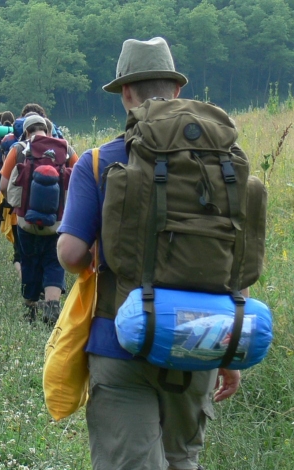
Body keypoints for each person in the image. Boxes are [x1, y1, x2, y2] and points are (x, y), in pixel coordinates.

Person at [56, 37, 240, 470]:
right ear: (176, 91)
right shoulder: (225, 161)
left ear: (126, 93)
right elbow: (236, 256)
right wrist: (229, 348)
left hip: (120, 341)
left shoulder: (99, 162)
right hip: (202, 337)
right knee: (181, 459)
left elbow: (68, 252)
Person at [0, 114, 77, 324]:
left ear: (26, 132)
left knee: (29, 261)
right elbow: (79, 178)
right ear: (47, 129)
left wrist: (15, 204)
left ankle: (31, 308)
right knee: (54, 261)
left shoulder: (18, 149)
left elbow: (4, 186)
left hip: (25, 220)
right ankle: (52, 306)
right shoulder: (65, 148)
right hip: (58, 221)